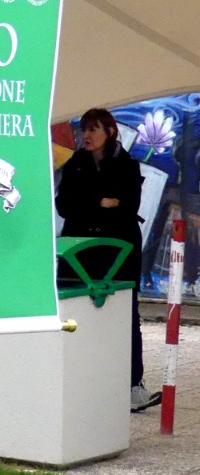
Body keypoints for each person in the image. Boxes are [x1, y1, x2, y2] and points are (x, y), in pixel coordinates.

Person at [56, 107, 157, 412]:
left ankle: (132, 385)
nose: (85, 136)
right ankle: (80, 380)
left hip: (119, 249)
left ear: (109, 132)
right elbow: (64, 206)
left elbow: (127, 207)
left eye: (92, 130)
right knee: (76, 309)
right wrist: (100, 203)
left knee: (126, 312)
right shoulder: (75, 164)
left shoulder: (127, 165)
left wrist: (91, 205)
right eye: (83, 130)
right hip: (79, 249)